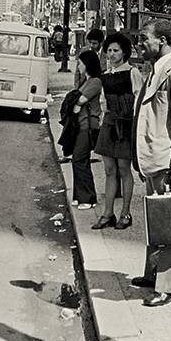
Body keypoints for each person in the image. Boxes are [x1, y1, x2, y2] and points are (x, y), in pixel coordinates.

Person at [129, 19, 171, 307]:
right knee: (157, 221)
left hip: (167, 160)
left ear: (163, 41)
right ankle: (154, 274)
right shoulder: (155, 70)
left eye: (144, 39)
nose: (140, 44)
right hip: (152, 158)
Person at [92, 32, 144, 230]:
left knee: (124, 169)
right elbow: (104, 101)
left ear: (124, 53)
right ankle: (107, 214)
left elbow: (139, 101)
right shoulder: (105, 76)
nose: (111, 54)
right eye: (109, 51)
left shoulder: (132, 73)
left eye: (115, 50)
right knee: (109, 170)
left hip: (126, 124)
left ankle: (126, 213)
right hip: (110, 123)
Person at [70, 50, 103, 210]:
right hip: (82, 124)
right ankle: (79, 195)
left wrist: (76, 104)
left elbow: (80, 100)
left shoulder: (95, 82)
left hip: (88, 126)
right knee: (78, 160)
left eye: (80, 63)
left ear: (88, 64)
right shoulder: (86, 80)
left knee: (79, 159)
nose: (78, 66)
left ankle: (88, 198)